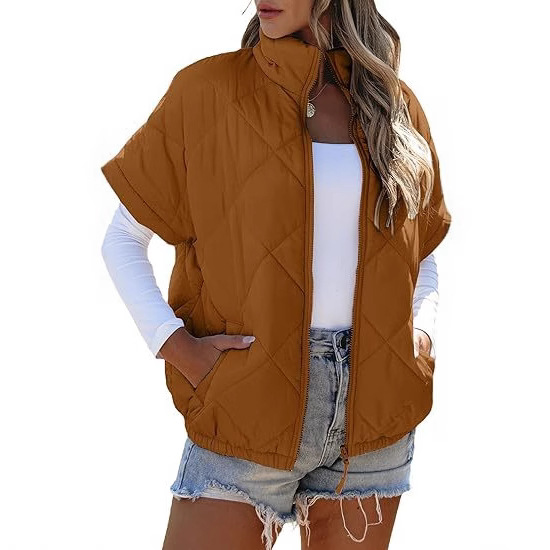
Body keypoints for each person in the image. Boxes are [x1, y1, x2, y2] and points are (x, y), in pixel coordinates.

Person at [100, 1, 452, 548]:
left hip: (374, 419)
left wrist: (420, 335)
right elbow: (123, 238)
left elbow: (421, 249)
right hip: (247, 401)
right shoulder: (207, 92)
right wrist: (177, 347)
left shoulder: (393, 105)